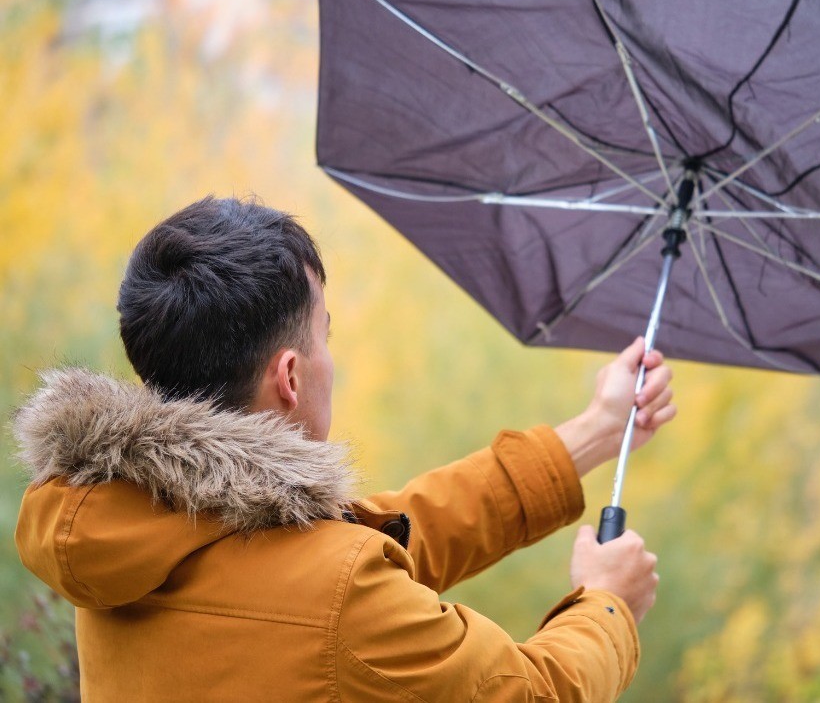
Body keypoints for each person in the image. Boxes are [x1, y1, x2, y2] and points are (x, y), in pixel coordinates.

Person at [14, 196, 675, 701]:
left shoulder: (115, 523)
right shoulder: (339, 594)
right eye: (323, 334)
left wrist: (595, 430)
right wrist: (607, 604)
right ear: (291, 376)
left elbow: (387, 532)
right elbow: (535, 691)